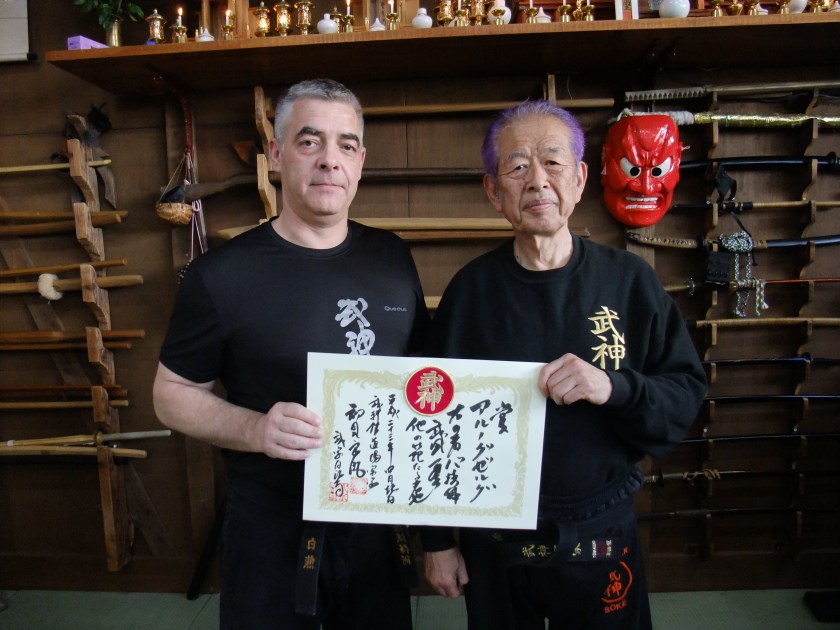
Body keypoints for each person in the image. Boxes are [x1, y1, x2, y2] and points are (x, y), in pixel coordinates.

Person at [420, 100, 707, 629]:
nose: (537, 180)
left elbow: (684, 393)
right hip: (494, 531)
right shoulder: (470, 293)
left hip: (599, 525)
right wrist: (436, 541)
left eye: (552, 162)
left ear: (579, 179)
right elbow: (430, 423)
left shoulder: (629, 281)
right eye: (517, 166)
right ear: (493, 191)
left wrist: (614, 387)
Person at [153, 78, 428, 630]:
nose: (330, 160)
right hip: (270, 525)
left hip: (376, 519)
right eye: (309, 141)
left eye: (346, 144)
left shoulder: (392, 257)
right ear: (276, 155)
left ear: (360, 161)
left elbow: (426, 380)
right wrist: (257, 429)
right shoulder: (220, 275)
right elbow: (171, 395)